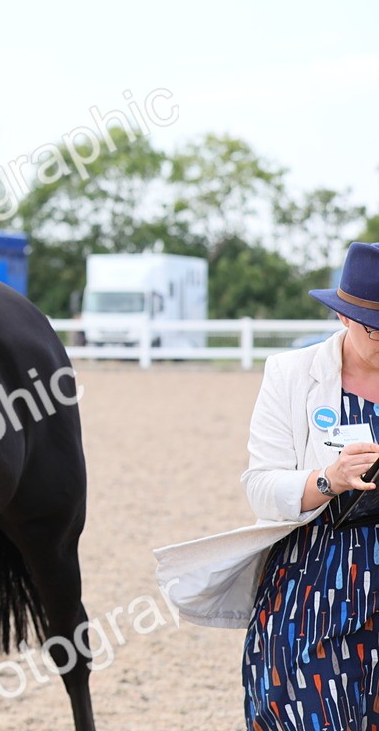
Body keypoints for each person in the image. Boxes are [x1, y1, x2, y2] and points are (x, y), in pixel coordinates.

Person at [154, 241, 379, 729]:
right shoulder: (291, 374)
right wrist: (329, 478)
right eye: (374, 329)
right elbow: (260, 485)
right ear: (343, 317)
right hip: (313, 581)